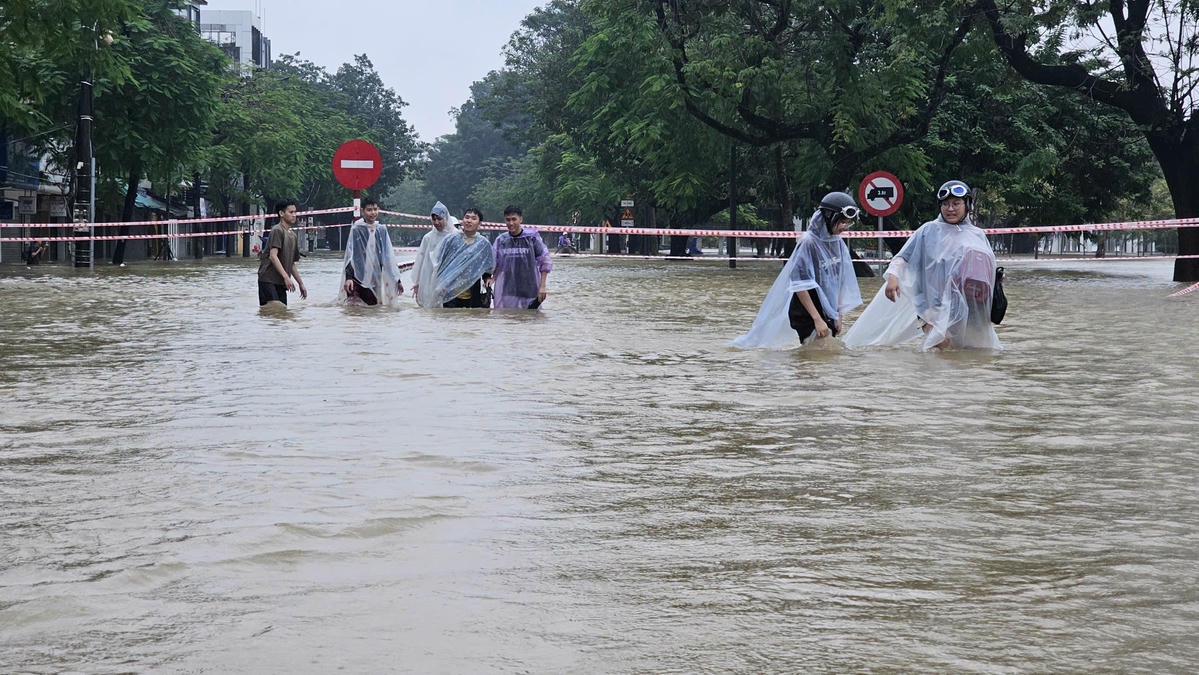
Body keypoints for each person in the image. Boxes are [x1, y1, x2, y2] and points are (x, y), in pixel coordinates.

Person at [844, 180, 1001, 350]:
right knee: (941, 342)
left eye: (956, 204)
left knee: (967, 352)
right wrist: (893, 277)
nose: (950, 209)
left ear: (968, 204)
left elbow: (985, 269)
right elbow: (903, 257)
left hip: (969, 308)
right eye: (945, 204)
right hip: (930, 305)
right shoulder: (928, 231)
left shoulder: (977, 235)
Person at [730, 192, 864, 348]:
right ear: (828, 217)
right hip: (806, 311)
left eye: (848, 223)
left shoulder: (837, 243)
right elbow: (800, 284)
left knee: (825, 359)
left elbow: (839, 280)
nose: (845, 227)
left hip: (829, 310)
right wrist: (817, 319)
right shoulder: (808, 242)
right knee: (817, 354)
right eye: (842, 222)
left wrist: (839, 315)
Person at [338, 198, 404, 307]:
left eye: (375, 209)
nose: (373, 213)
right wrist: (348, 278)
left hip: (374, 278)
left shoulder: (381, 230)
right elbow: (350, 256)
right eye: (369, 210)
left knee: (372, 308)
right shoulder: (356, 230)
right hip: (356, 278)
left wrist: (397, 280)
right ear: (362, 211)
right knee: (354, 308)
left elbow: (388, 258)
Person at [433, 207, 495, 308]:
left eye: (474, 218)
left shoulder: (483, 244)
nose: (469, 221)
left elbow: (487, 267)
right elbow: (440, 263)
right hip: (450, 291)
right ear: (462, 221)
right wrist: (440, 283)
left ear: (479, 224)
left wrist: (487, 279)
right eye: (467, 217)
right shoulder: (450, 240)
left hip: (473, 292)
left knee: (471, 320)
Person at [492, 205, 552, 309]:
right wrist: (491, 278)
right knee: (509, 319)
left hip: (530, 288)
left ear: (521, 219)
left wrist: (542, 286)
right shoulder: (501, 241)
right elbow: (495, 263)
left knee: (532, 320)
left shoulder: (532, 238)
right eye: (508, 220)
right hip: (509, 290)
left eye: (514, 219)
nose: (511, 223)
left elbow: (544, 261)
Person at [257, 199, 307, 306]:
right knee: (273, 309)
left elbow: (291, 263)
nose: (294, 215)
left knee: (282, 313)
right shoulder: (277, 230)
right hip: (268, 279)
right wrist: (286, 277)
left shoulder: (293, 235)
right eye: (291, 212)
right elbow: (273, 256)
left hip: (281, 282)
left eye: (295, 212)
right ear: (281, 213)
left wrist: (300, 284)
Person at [411, 201, 459, 308]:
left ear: (446, 218)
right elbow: (421, 261)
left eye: (439, 219)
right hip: (431, 278)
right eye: (434, 219)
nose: (436, 222)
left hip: (450, 281)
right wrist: (417, 283)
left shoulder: (456, 236)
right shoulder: (428, 238)